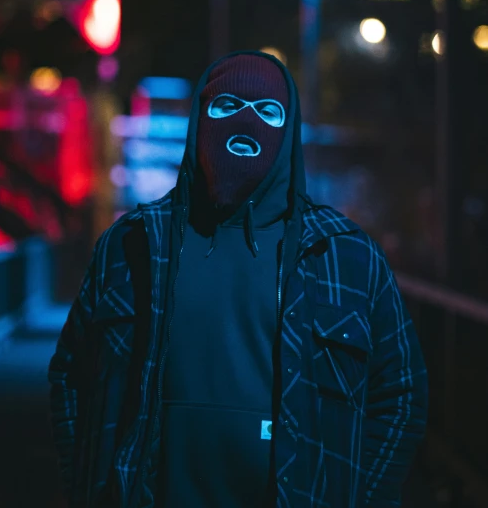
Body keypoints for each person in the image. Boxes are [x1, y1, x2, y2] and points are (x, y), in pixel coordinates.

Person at [48, 50, 428, 508]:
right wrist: (86, 487)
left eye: (268, 112)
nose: (245, 124)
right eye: (226, 107)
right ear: (200, 121)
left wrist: (359, 496)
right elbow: (72, 374)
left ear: (287, 133)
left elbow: (401, 392)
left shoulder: (346, 256)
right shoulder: (133, 244)